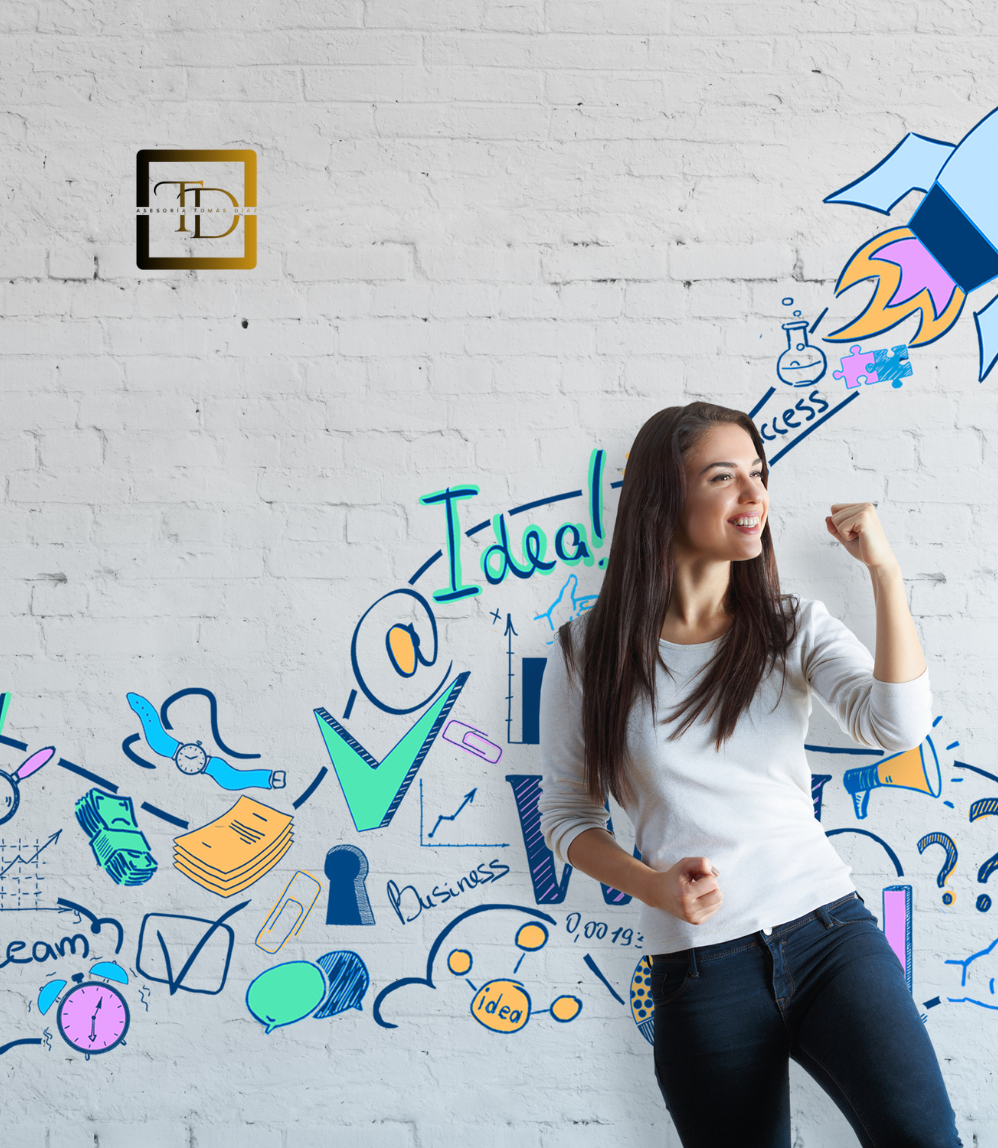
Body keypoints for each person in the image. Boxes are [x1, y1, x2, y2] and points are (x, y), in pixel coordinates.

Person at [538, 402, 961, 1148]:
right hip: (700, 971)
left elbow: (896, 725)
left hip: (830, 935)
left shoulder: (791, 625)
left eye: (758, 475)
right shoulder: (585, 652)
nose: (753, 495)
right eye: (723, 476)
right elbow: (569, 818)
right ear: (665, 496)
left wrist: (885, 574)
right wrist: (653, 884)